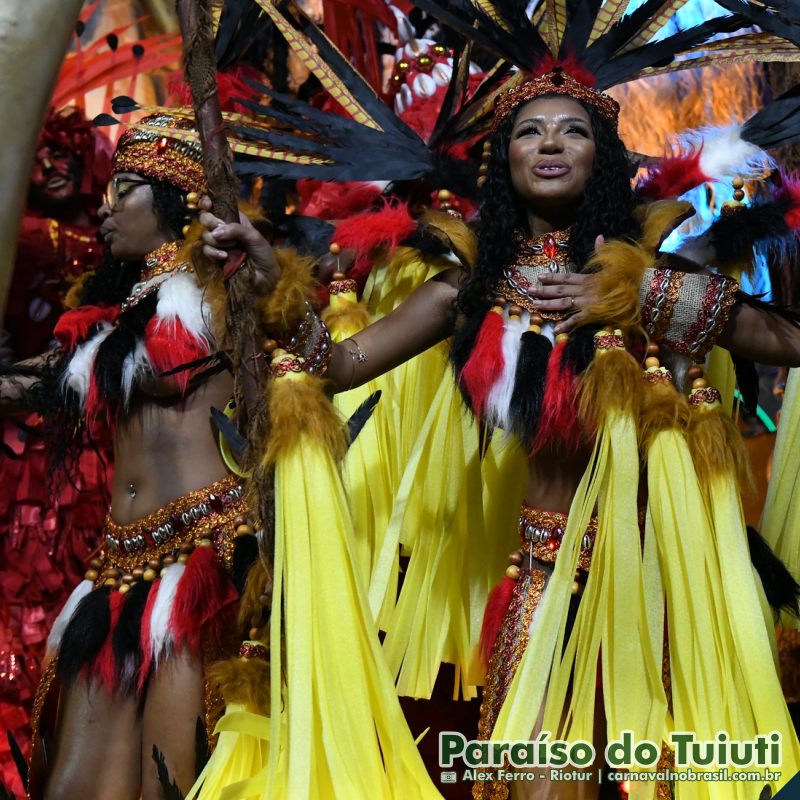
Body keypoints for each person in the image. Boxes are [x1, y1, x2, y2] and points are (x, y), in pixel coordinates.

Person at [194, 66, 800, 800]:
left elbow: (784, 341)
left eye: (573, 130)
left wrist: (637, 292)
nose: (550, 143)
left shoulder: (651, 273)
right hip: (544, 575)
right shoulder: (472, 287)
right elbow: (341, 362)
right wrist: (271, 280)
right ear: (505, 159)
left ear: (602, 158)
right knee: (538, 787)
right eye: (530, 130)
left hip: (654, 579)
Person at [17, 112, 277, 800]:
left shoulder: (217, 294)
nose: (104, 209)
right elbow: (42, 377)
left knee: (173, 779)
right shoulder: (110, 316)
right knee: (78, 785)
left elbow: (164, 368)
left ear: (178, 197)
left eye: (125, 188)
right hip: (116, 566)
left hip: (201, 564)